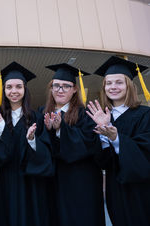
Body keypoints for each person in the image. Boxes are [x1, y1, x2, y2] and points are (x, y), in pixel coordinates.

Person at [87, 56, 150, 226]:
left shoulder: (147, 115)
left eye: (119, 82)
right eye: (108, 83)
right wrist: (103, 136)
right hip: (115, 188)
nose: (113, 87)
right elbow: (103, 162)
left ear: (129, 86)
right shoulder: (102, 116)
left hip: (141, 188)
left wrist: (115, 138)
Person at [0, 62, 54, 226]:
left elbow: (46, 154)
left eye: (18, 87)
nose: (14, 91)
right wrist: (1, 129)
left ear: (25, 90)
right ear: (4, 91)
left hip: (30, 182)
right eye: (9, 87)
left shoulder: (36, 117)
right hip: (6, 180)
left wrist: (32, 141)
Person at [42, 63, 105, 226]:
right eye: (56, 85)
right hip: (52, 182)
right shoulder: (42, 113)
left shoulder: (86, 115)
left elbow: (89, 143)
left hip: (81, 183)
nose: (60, 90)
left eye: (66, 86)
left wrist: (59, 130)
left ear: (75, 89)